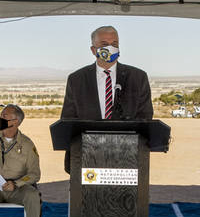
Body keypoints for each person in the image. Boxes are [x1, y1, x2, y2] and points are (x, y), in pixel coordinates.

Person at [60, 25, 153, 172]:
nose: (110, 48)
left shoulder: (137, 77)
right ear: (93, 50)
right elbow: (68, 119)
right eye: (104, 44)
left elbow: (145, 117)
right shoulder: (77, 79)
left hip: (127, 159)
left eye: (114, 44)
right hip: (85, 158)